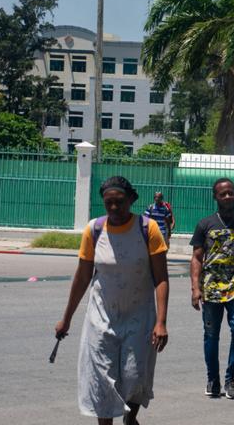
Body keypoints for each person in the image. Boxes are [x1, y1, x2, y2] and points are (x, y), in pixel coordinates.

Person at [55, 176, 169, 425]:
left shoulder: (147, 229)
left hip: (140, 317)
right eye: (109, 203)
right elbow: (83, 276)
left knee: (134, 376)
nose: (114, 208)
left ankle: (130, 418)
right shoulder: (94, 230)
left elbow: (161, 277)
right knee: (101, 381)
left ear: (131, 200)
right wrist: (66, 318)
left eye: (119, 202)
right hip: (101, 318)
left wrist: (161, 322)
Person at [190, 177, 234, 399]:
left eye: (231, 192)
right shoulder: (205, 224)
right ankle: (213, 379)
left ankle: (231, 379)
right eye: (223, 193)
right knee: (211, 335)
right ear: (215, 197)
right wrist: (195, 288)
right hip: (211, 288)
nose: (228, 196)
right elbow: (197, 258)